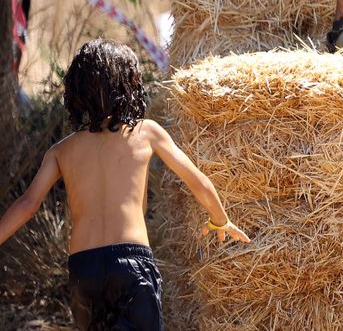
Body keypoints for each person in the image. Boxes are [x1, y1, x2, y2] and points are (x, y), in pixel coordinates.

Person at [0, 40, 250, 331]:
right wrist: (221, 219)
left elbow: (28, 205)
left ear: (77, 91)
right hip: (132, 265)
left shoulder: (62, 151)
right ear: (129, 86)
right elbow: (201, 183)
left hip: (85, 269)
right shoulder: (147, 133)